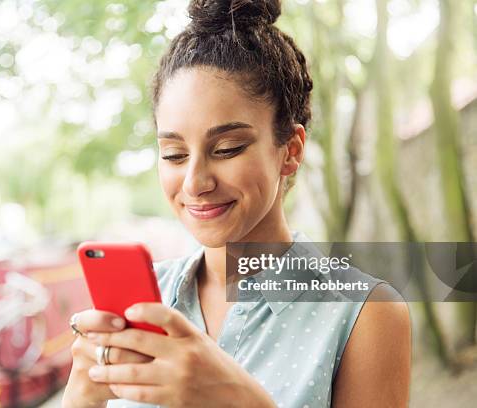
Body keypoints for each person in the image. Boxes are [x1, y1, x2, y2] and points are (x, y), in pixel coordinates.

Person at [62, 0, 411, 407]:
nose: (195, 182)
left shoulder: (364, 314)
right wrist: (81, 397)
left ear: (291, 150)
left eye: (227, 148)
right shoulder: (139, 303)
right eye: (174, 154)